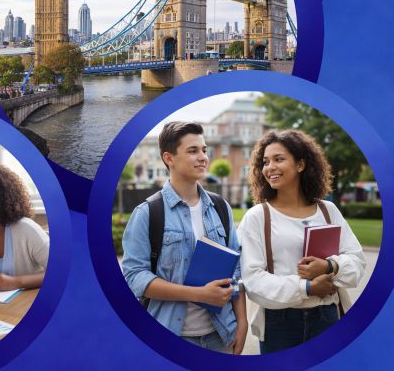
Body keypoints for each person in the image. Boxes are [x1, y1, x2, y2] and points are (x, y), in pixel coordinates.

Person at [121, 122, 247, 354]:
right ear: (169, 158)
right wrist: (198, 294)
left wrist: (243, 323)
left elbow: (236, 270)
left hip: (221, 336)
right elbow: (135, 277)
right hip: (169, 338)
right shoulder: (147, 213)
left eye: (204, 150)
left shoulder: (221, 207)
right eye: (192, 151)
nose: (203, 157)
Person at [238, 130, 366, 353]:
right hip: (280, 324)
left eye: (279, 159)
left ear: (300, 164)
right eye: (265, 162)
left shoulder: (328, 211)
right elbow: (253, 281)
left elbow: (357, 261)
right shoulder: (257, 216)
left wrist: (330, 265)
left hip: (327, 317)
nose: (270, 167)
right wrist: (307, 287)